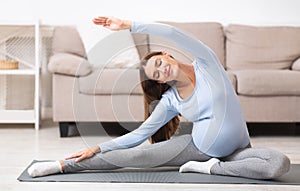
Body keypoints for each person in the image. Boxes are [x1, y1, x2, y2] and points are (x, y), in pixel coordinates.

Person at [28, 16, 290, 179]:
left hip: (237, 153)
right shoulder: (171, 100)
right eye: (156, 75)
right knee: (132, 158)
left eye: (159, 64)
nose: (161, 71)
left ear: (167, 55)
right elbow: (140, 134)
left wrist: (128, 25)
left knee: (277, 164)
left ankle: (208, 169)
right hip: (195, 148)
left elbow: (175, 34)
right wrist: (97, 147)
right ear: (161, 82)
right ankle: (62, 166)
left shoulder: (208, 65)